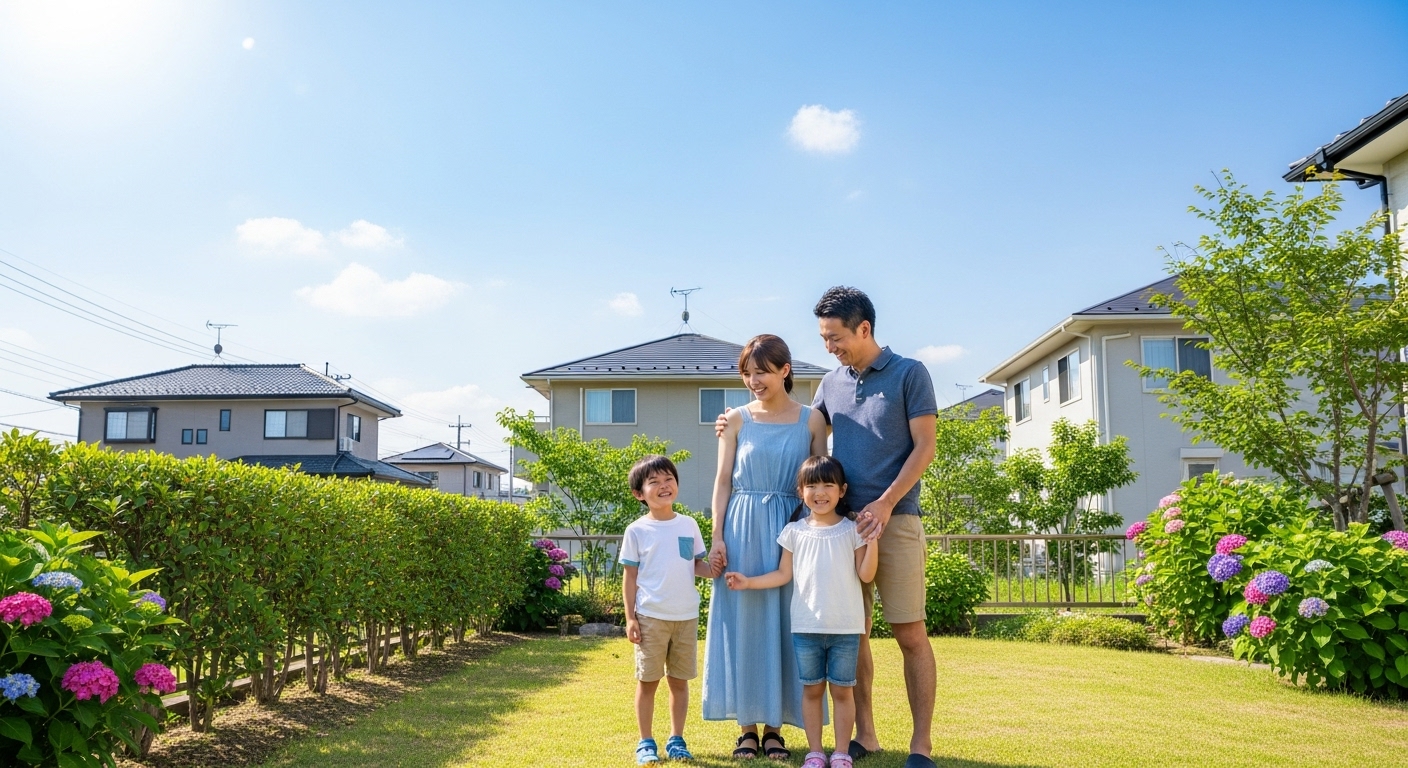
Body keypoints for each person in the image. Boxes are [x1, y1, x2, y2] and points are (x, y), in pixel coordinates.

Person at [714, 287, 938, 766]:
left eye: (834, 337)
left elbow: (924, 447)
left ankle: (921, 745)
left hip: (893, 521)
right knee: (849, 635)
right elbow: (791, 424)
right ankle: (868, 736)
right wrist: (733, 421)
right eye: (822, 337)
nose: (828, 347)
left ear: (864, 328)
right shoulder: (830, 385)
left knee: (910, 634)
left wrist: (885, 502)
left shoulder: (910, 374)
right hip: (836, 531)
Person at [702, 334, 829, 761]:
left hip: (793, 529)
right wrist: (717, 535)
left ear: (785, 371)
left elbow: (819, 479)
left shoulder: (811, 420)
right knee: (743, 620)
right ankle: (747, 729)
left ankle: (776, 727)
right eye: (748, 372)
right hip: (741, 527)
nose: (754, 380)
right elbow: (722, 481)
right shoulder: (735, 419)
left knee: (786, 622)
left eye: (762, 371)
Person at [725, 456, 878, 768]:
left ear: (841, 490)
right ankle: (815, 752)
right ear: (800, 491)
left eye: (827, 485)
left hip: (846, 628)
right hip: (806, 628)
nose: (819, 492)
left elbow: (866, 575)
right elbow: (783, 575)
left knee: (842, 692)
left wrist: (872, 541)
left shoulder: (852, 529)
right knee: (811, 691)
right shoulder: (794, 531)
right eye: (812, 485)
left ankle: (841, 753)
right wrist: (748, 582)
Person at [620, 455, 718, 765]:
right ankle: (645, 742)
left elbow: (695, 565)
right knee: (648, 682)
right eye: (654, 482)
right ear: (640, 494)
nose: (664, 486)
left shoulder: (688, 525)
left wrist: (715, 568)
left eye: (668, 480)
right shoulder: (637, 531)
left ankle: (677, 739)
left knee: (679, 681)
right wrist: (631, 618)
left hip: (685, 616)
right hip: (650, 617)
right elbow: (630, 577)